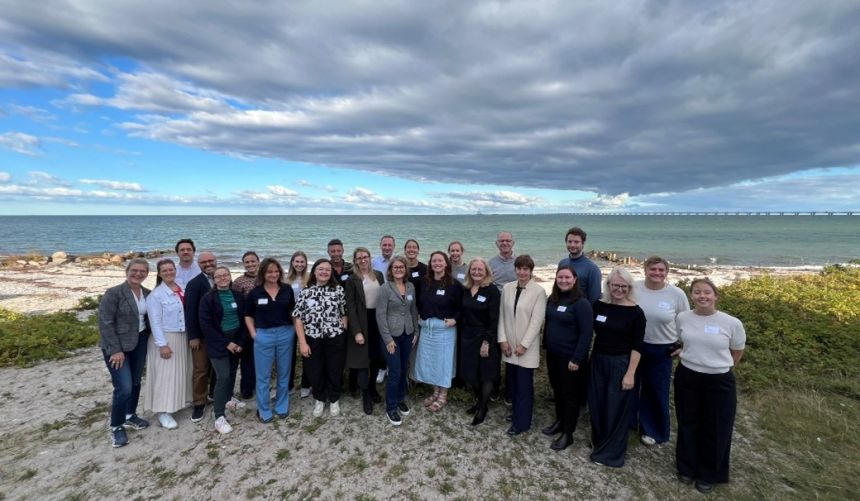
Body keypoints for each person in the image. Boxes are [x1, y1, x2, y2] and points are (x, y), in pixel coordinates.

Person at [674, 278, 746, 494]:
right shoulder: (683, 317)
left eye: (707, 292)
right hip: (687, 375)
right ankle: (686, 467)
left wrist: (718, 366)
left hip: (719, 380)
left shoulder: (731, 323)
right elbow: (683, 341)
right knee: (687, 422)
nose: (702, 296)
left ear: (716, 296)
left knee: (716, 426)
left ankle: (709, 474)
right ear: (691, 296)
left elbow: (737, 352)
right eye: (697, 292)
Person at [589, 267, 645, 467]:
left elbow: (638, 347)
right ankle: (599, 441)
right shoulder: (599, 305)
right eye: (615, 285)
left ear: (630, 287)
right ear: (608, 285)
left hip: (621, 363)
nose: (619, 289)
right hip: (598, 360)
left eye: (624, 286)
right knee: (597, 402)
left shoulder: (636, 313)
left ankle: (611, 454)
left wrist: (630, 374)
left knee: (615, 407)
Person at [632, 256, 690, 445]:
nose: (657, 273)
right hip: (635, 345)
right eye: (653, 269)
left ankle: (653, 430)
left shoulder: (676, 294)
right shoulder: (635, 288)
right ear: (645, 270)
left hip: (662, 348)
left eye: (661, 270)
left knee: (656, 389)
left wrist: (682, 345)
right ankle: (629, 423)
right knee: (630, 385)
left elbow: (687, 322)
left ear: (667, 272)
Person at [98, 258, 151, 447]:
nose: (138, 274)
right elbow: (105, 322)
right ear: (127, 271)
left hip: (140, 342)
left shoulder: (147, 293)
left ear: (147, 274)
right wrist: (115, 350)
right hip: (117, 347)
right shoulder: (114, 293)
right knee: (124, 387)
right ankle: (116, 426)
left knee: (135, 382)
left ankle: (130, 415)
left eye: (142, 271)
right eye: (134, 270)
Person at [543, 265, 594, 450]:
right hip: (553, 355)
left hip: (571, 359)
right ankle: (560, 421)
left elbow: (586, 334)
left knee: (570, 395)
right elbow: (548, 324)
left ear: (574, 280)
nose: (563, 281)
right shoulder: (553, 299)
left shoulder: (581, 303)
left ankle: (568, 433)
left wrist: (577, 359)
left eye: (567, 278)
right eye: (560, 277)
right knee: (557, 390)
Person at [498, 255, 547, 436]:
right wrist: (502, 340)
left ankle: (522, 423)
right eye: (519, 268)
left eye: (525, 269)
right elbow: (502, 316)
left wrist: (524, 345)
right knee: (513, 383)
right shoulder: (507, 288)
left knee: (524, 386)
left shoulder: (539, 292)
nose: (522, 272)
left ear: (531, 271)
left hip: (526, 349)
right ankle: (517, 413)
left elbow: (537, 322)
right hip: (509, 347)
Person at [294, 259, 348, 418]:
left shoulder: (338, 290)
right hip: (312, 338)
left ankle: (334, 398)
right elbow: (298, 318)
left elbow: (344, 312)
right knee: (315, 370)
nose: (324, 272)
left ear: (331, 273)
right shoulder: (306, 291)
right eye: (320, 269)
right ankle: (319, 398)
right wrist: (302, 343)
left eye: (327, 270)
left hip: (334, 337)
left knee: (335, 369)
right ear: (315, 271)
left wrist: (343, 329)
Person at [244, 258, 296, 423]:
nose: (273, 274)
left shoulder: (287, 289)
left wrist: (295, 331)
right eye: (269, 272)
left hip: (285, 333)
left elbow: (294, 312)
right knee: (263, 375)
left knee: (284, 372)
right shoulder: (255, 292)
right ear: (263, 274)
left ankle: (281, 405)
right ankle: (264, 409)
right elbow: (248, 315)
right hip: (263, 335)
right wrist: (254, 334)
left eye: (276, 271)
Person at [143, 259, 193, 429]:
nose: (169, 272)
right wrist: (162, 344)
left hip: (182, 335)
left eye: (171, 269)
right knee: (165, 375)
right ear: (159, 273)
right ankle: (162, 411)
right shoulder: (156, 295)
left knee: (181, 371)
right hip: (166, 337)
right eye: (164, 270)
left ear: (175, 270)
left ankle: (178, 402)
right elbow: (155, 322)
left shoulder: (182, 288)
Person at [413, 251, 463, 412]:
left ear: (446, 263)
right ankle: (435, 391)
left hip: (444, 329)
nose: (437, 263)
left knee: (443, 362)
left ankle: (443, 395)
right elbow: (418, 302)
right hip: (427, 328)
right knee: (431, 362)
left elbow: (462, 307)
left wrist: (455, 319)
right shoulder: (424, 282)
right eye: (434, 261)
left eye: (440, 261)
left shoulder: (454, 285)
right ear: (430, 264)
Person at [199, 266, 247, 434]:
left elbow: (244, 319)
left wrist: (239, 342)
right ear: (214, 280)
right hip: (218, 342)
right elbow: (206, 326)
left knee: (232, 372)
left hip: (236, 339)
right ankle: (218, 415)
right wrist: (226, 343)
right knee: (223, 376)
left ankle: (227, 399)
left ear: (230, 276)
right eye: (218, 276)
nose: (222, 278)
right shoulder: (208, 299)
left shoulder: (238, 296)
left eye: (225, 275)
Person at [376, 256, 419, 426]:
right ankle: (391, 407)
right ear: (391, 270)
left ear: (405, 269)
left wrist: (415, 332)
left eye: (401, 267)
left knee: (403, 369)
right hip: (391, 336)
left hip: (407, 333)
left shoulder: (410, 287)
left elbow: (413, 310)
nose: (399, 269)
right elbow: (380, 315)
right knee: (394, 371)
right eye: (395, 267)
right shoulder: (385, 288)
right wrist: (387, 339)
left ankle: (400, 399)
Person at [458, 257, 500, 426]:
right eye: (473, 269)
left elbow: (494, 319)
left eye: (480, 269)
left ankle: (482, 408)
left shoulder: (492, 290)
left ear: (486, 272)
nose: (476, 272)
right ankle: (479, 400)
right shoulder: (466, 289)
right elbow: (461, 312)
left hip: (485, 336)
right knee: (470, 373)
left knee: (486, 373)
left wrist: (487, 342)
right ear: (469, 271)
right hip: (468, 336)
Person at [344, 247, 386, 414]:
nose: (363, 260)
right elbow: (350, 307)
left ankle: (373, 388)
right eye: (359, 258)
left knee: (375, 358)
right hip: (361, 321)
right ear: (355, 260)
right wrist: (357, 331)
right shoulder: (352, 279)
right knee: (362, 361)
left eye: (365, 257)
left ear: (370, 258)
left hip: (377, 320)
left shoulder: (379, 275)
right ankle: (366, 394)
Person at [184, 251, 218, 422]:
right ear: (199, 264)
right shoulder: (194, 284)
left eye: (211, 260)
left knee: (217, 368)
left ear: (216, 261)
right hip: (201, 336)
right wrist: (193, 336)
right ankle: (199, 403)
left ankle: (213, 394)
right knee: (201, 369)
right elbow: (189, 311)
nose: (208, 264)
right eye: (204, 262)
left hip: (219, 335)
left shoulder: (222, 278)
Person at [232, 251, 259, 400]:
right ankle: (246, 389)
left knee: (260, 358)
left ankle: (259, 385)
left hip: (264, 324)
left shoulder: (265, 278)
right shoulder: (238, 282)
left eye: (253, 261)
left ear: (258, 262)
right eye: (247, 262)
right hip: (245, 324)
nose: (250, 264)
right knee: (247, 359)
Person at [286, 251, 311, 397]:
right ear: (292, 263)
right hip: (290, 321)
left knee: (307, 352)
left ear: (306, 263)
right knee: (289, 354)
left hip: (307, 321)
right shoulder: (286, 280)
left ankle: (306, 384)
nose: (299, 264)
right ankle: (288, 385)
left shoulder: (310, 278)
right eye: (297, 261)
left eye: (302, 261)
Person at [557, 227, 602, 303]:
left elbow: (594, 299)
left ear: (583, 244)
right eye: (570, 241)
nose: (572, 245)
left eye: (576, 242)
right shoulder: (562, 263)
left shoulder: (592, 269)